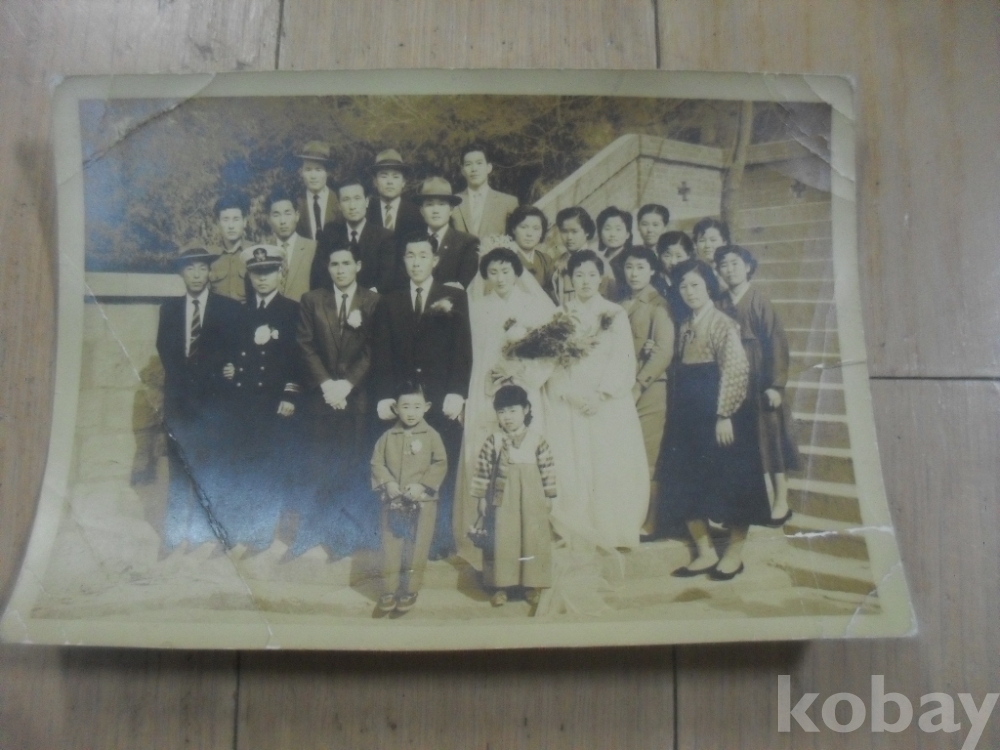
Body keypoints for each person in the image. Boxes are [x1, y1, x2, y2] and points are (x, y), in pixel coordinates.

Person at [656, 259, 771, 580]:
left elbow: (736, 369)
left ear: (708, 286)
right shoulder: (684, 324)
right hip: (688, 415)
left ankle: (733, 555)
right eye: (683, 286)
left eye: (695, 285)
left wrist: (724, 414)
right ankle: (705, 552)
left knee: (734, 482)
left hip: (723, 413)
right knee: (682, 478)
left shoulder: (723, 323)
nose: (689, 292)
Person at [453, 243, 556, 567]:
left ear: (516, 272)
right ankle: (484, 530)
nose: (499, 277)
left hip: (521, 387)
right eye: (493, 272)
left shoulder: (533, 305)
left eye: (506, 271)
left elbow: (548, 353)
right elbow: (470, 354)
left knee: (523, 455)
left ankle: (526, 533)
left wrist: (520, 373)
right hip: (485, 389)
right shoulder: (477, 307)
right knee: (485, 452)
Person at [372, 235, 473, 559]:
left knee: (439, 465)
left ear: (435, 260)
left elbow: (462, 348)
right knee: (402, 466)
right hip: (403, 401)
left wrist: (457, 392)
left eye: (423, 255)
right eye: (410, 255)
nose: (416, 262)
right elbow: (382, 351)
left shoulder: (454, 296)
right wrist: (384, 396)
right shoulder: (390, 300)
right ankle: (401, 536)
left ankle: (438, 539)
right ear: (403, 260)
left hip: (440, 397)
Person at [542, 250, 650, 550]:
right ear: (570, 278)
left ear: (601, 278)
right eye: (579, 275)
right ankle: (576, 526)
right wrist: (569, 392)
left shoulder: (614, 313)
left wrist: (600, 394)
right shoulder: (560, 315)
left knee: (606, 462)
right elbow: (553, 361)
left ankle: (610, 529)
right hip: (570, 399)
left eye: (591, 274)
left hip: (605, 401)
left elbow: (622, 359)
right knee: (573, 462)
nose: (585, 281)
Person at [294, 244, 381, 557]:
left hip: (355, 398)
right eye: (334, 264)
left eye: (346, 263)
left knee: (352, 465)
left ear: (358, 265)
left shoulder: (372, 301)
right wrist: (328, 385)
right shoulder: (312, 300)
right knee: (320, 465)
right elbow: (305, 345)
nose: (340, 270)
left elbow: (373, 348)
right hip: (322, 399)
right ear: (327, 267)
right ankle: (313, 532)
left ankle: (344, 538)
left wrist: (346, 385)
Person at [155, 244, 241, 551]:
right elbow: (166, 352)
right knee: (179, 466)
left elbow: (235, 350)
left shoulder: (228, 309)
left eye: (202, 268)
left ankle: (213, 531)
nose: (196, 274)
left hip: (214, 401)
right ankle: (175, 532)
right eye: (189, 268)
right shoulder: (169, 310)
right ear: (181, 273)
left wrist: (229, 369)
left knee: (213, 465)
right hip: (180, 400)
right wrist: (187, 384)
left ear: (209, 272)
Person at [218, 245, 302, 552]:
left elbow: (299, 358)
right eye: (257, 273)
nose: (262, 279)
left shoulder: (292, 311)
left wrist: (290, 394)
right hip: (244, 400)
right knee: (243, 462)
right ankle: (242, 526)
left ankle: (263, 533)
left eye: (268, 272)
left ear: (280, 273)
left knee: (270, 465)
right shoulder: (241, 312)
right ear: (249, 276)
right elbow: (231, 351)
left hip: (274, 401)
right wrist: (229, 367)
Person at [715, 244, 801, 527]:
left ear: (748, 266)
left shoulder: (759, 300)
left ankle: (781, 500)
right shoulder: (719, 302)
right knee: (738, 443)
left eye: (735, 263)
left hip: (759, 378)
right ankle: (739, 505)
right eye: (724, 265)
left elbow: (776, 343)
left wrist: (775, 385)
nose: (730, 269)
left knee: (771, 439)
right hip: (731, 377)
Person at [469, 385, 557, 610]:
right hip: (502, 501)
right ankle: (501, 586)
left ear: (525, 410)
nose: (507, 417)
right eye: (502, 412)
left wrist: (549, 495)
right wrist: (481, 497)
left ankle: (531, 584)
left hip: (531, 499)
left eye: (512, 411)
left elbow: (547, 469)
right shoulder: (494, 440)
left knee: (531, 538)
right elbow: (482, 470)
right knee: (503, 539)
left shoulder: (537, 440)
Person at [370, 382, 448, 616]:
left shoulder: (432, 436)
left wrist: (422, 485)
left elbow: (440, 463)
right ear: (396, 408)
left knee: (417, 545)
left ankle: (411, 589)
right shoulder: (387, 437)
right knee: (391, 544)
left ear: (427, 407)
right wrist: (388, 483)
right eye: (405, 407)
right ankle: (389, 589)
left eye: (417, 406)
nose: (411, 412)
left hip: (421, 501)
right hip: (393, 500)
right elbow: (376, 463)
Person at [619, 247, 675, 533]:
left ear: (652, 270)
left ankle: (651, 520)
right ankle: (629, 515)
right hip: (622, 389)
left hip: (650, 390)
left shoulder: (659, 305)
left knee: (648, 455)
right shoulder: (621, 303)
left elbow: (663, 351)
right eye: (629, 267)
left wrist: (639, 387)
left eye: (641, 267)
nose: (634, 273)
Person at [314, 177, 397, 293]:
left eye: (357, 198)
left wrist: (363, 299)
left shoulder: (385, 237)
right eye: (346, 200)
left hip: (372, 301)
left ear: (367, 201)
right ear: (339, 205)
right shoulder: (330, 234)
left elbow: (386, 280)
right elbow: (320, 275)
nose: (352, 206)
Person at [415, 176, 480, 289]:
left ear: (451, 210)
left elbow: (464, 284)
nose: (435, 211)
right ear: (422, 211)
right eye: (429, 205)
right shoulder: (411, 240)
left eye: (441, 204)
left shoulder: (467, 243)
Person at [451, 143, 519, 239]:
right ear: (462, 170)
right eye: (468, 164)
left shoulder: (508, 202)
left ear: (488, 168)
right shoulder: (453, 202)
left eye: (479, 163)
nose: (474, 169)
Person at [265, 187, 318, 303]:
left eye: (287, 213)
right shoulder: (264, 251)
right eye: (276, 215)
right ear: (269, 219)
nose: (283, 221)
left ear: (297, 215)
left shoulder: (313, 248)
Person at [366, 148, 425, 239]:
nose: (390, 182)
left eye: (395, 176)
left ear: (403, 182)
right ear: (375, 182)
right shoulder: (366, 212)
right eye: (384, 176)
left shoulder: (416, 213)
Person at [208, 192, 252, 303]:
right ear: (218, 223)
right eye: (225, 220)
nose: (231, 226)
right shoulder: (210, 257)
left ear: (244, 222)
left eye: (236, 219)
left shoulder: (254, 253)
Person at [551, 206, 597, 304]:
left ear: (587, 231)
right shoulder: (557, 263)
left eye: (574, 231)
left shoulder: (597, 261)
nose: (569, 237)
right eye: (564, 231)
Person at [295, 141, 339, 241]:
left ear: (327, 172)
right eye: (308, 169)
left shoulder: (338, 201)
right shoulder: (296, 203)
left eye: (318, 170)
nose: (313, 176)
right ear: (301, 172)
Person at [507, 205, 555, 292]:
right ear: (513, 229)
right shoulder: (505, 257)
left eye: (536, 228)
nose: (529, 234)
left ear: (542, 232)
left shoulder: (546, 261)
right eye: (523, 227)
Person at [654, 230, 696, 319]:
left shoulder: (696, 280)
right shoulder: (654, 283)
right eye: (667, 256)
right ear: (659, 256)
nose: (673, 262)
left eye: (679, 256)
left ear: (688, 256)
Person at [595, 206, 634, 300]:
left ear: (627, 234)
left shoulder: (632, 260)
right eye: (607, 229)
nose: (612, 234)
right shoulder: (597, 260)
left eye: (618, 229)